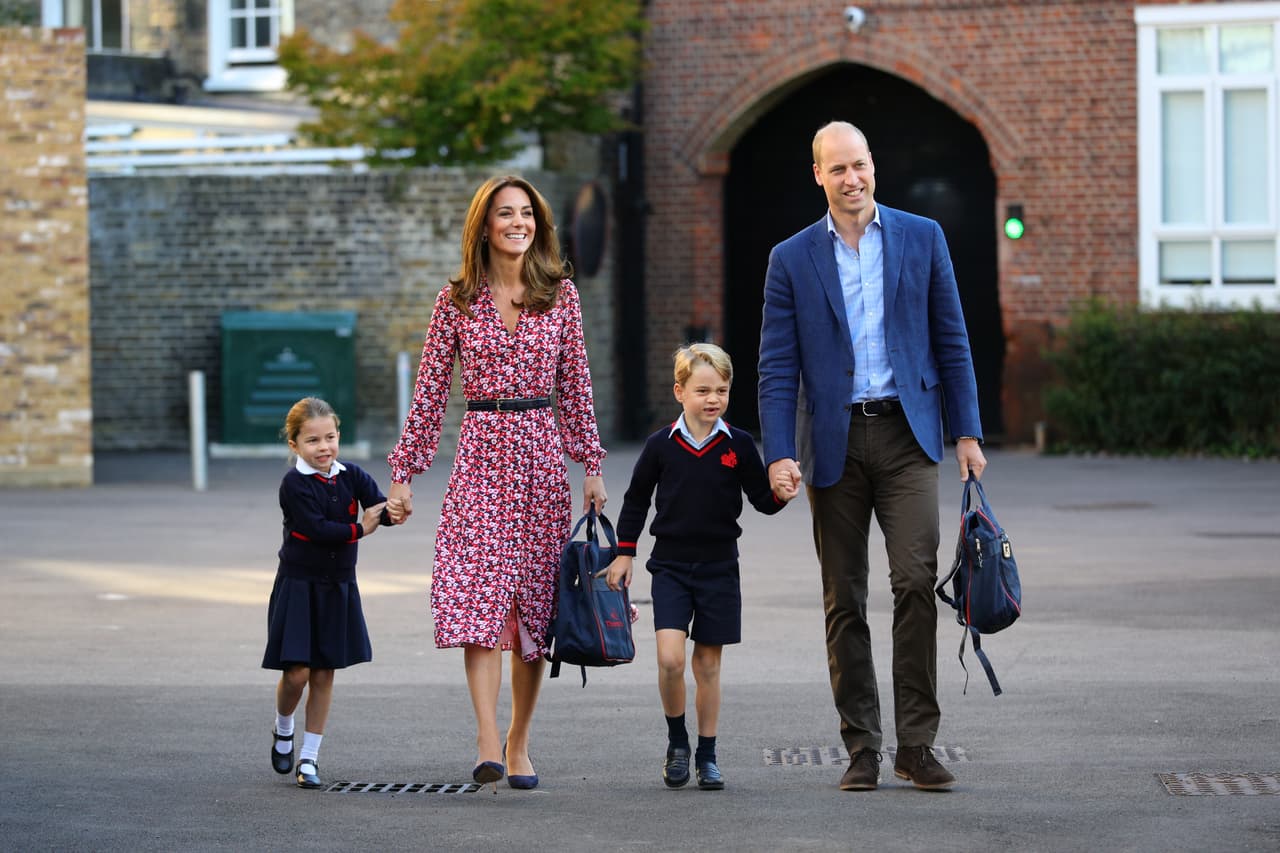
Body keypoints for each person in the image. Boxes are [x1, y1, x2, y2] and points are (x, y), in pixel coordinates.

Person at [757, 121, 988, 792]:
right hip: (832, 442)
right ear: (818, 176)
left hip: (908, 434)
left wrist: (967, 433)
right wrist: (778, 454)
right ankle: (861, 744)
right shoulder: (791, 258)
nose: (851, 179)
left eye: (860, 165)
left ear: (873, 166)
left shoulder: (923, 236)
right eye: (838, 169)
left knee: (915, 582)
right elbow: (777, 368)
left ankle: (916, 743)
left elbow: (953, 338)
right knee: (844, 598)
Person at [385, 175, 607, 790]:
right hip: (480, 457)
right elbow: (429, 395)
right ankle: (486, 738)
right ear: (483, 225)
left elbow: (576, 386)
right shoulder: (454, 300)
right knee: (478, 598)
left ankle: (519, 742)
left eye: (527, 213)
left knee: (534, 612)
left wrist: (591, 464)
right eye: (505, 214)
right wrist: (404, 474)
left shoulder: (559, 295)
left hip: (540, 461)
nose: (518, 223)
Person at [604, 343, 795, 791]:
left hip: (719, 569)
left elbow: (761, 501)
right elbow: (635, 501)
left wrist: (781, 495)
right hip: (670, 566)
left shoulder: (739, 444)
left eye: (722, 391)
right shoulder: (660, 446)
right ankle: (677, 744)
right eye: (703, 390)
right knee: (671, 659)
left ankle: (707, 755)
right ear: (680, 391)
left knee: (707, 665)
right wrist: (625, 551)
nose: (713, 399)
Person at [262, 396, 392, 789]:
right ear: (294, 445)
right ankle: (284, 727)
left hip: (338, 585)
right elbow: (316, 530)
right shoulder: (293, 485)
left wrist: (394, 511)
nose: (324, 448)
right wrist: (361, 529)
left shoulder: (351, 474)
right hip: (299, 585)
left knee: (323, 674)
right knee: (297, 673)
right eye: (313, 441)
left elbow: (378, 506)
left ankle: (309, 759)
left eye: (330, 437)